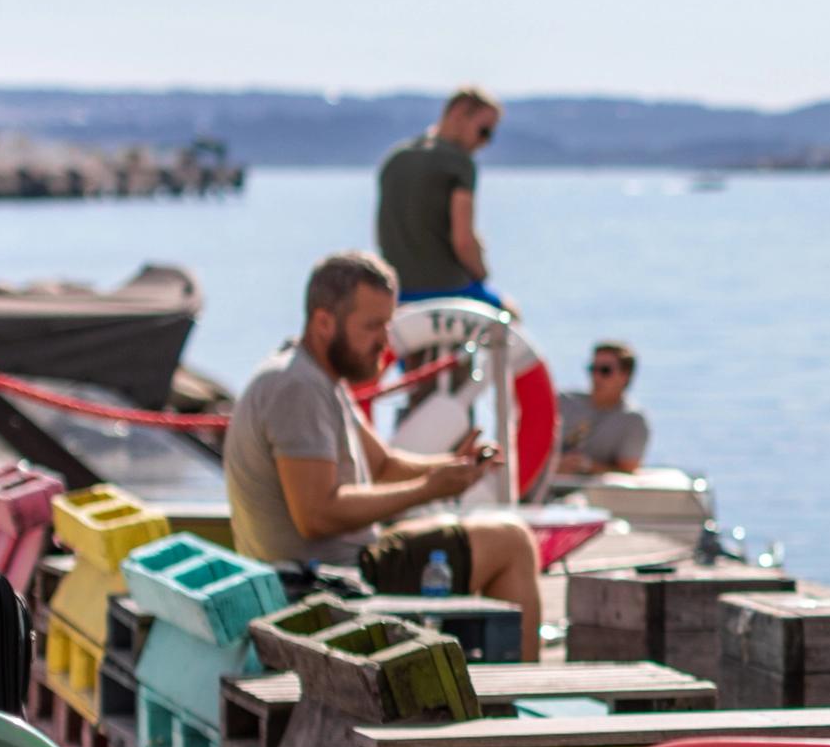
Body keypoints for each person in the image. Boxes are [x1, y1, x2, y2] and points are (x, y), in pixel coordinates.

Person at [225, 251, 543, 653]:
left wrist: (453, 469)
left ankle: (485, 677)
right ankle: (513, 690)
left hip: (332, 566)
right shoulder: (298, 388)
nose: (385, 341)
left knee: (467, 527)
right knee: (511, 542)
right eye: (372, 326)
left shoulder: (317, 377)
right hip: (319, 583)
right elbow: (316, 515)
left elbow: (384, 465)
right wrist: (429, 488)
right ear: (324, 322)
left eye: (388, 325)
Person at [376, 87, 502, 303]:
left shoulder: (394, 158)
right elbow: (463, 241)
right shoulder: (459, 163)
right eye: (485, 131)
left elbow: (383, 233)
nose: (485, 142)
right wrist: (482, 275)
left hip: (398, 292)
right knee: (510, 312)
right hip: (449, 291)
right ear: (459, 113)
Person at [553, 340, 650, 481]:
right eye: (593, 369)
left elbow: (628, 472)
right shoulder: (563, 403)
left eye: (605, 371)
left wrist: (587, 466)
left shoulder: (633, 420)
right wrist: (555, 465)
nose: (596, 377)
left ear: (625, 376)